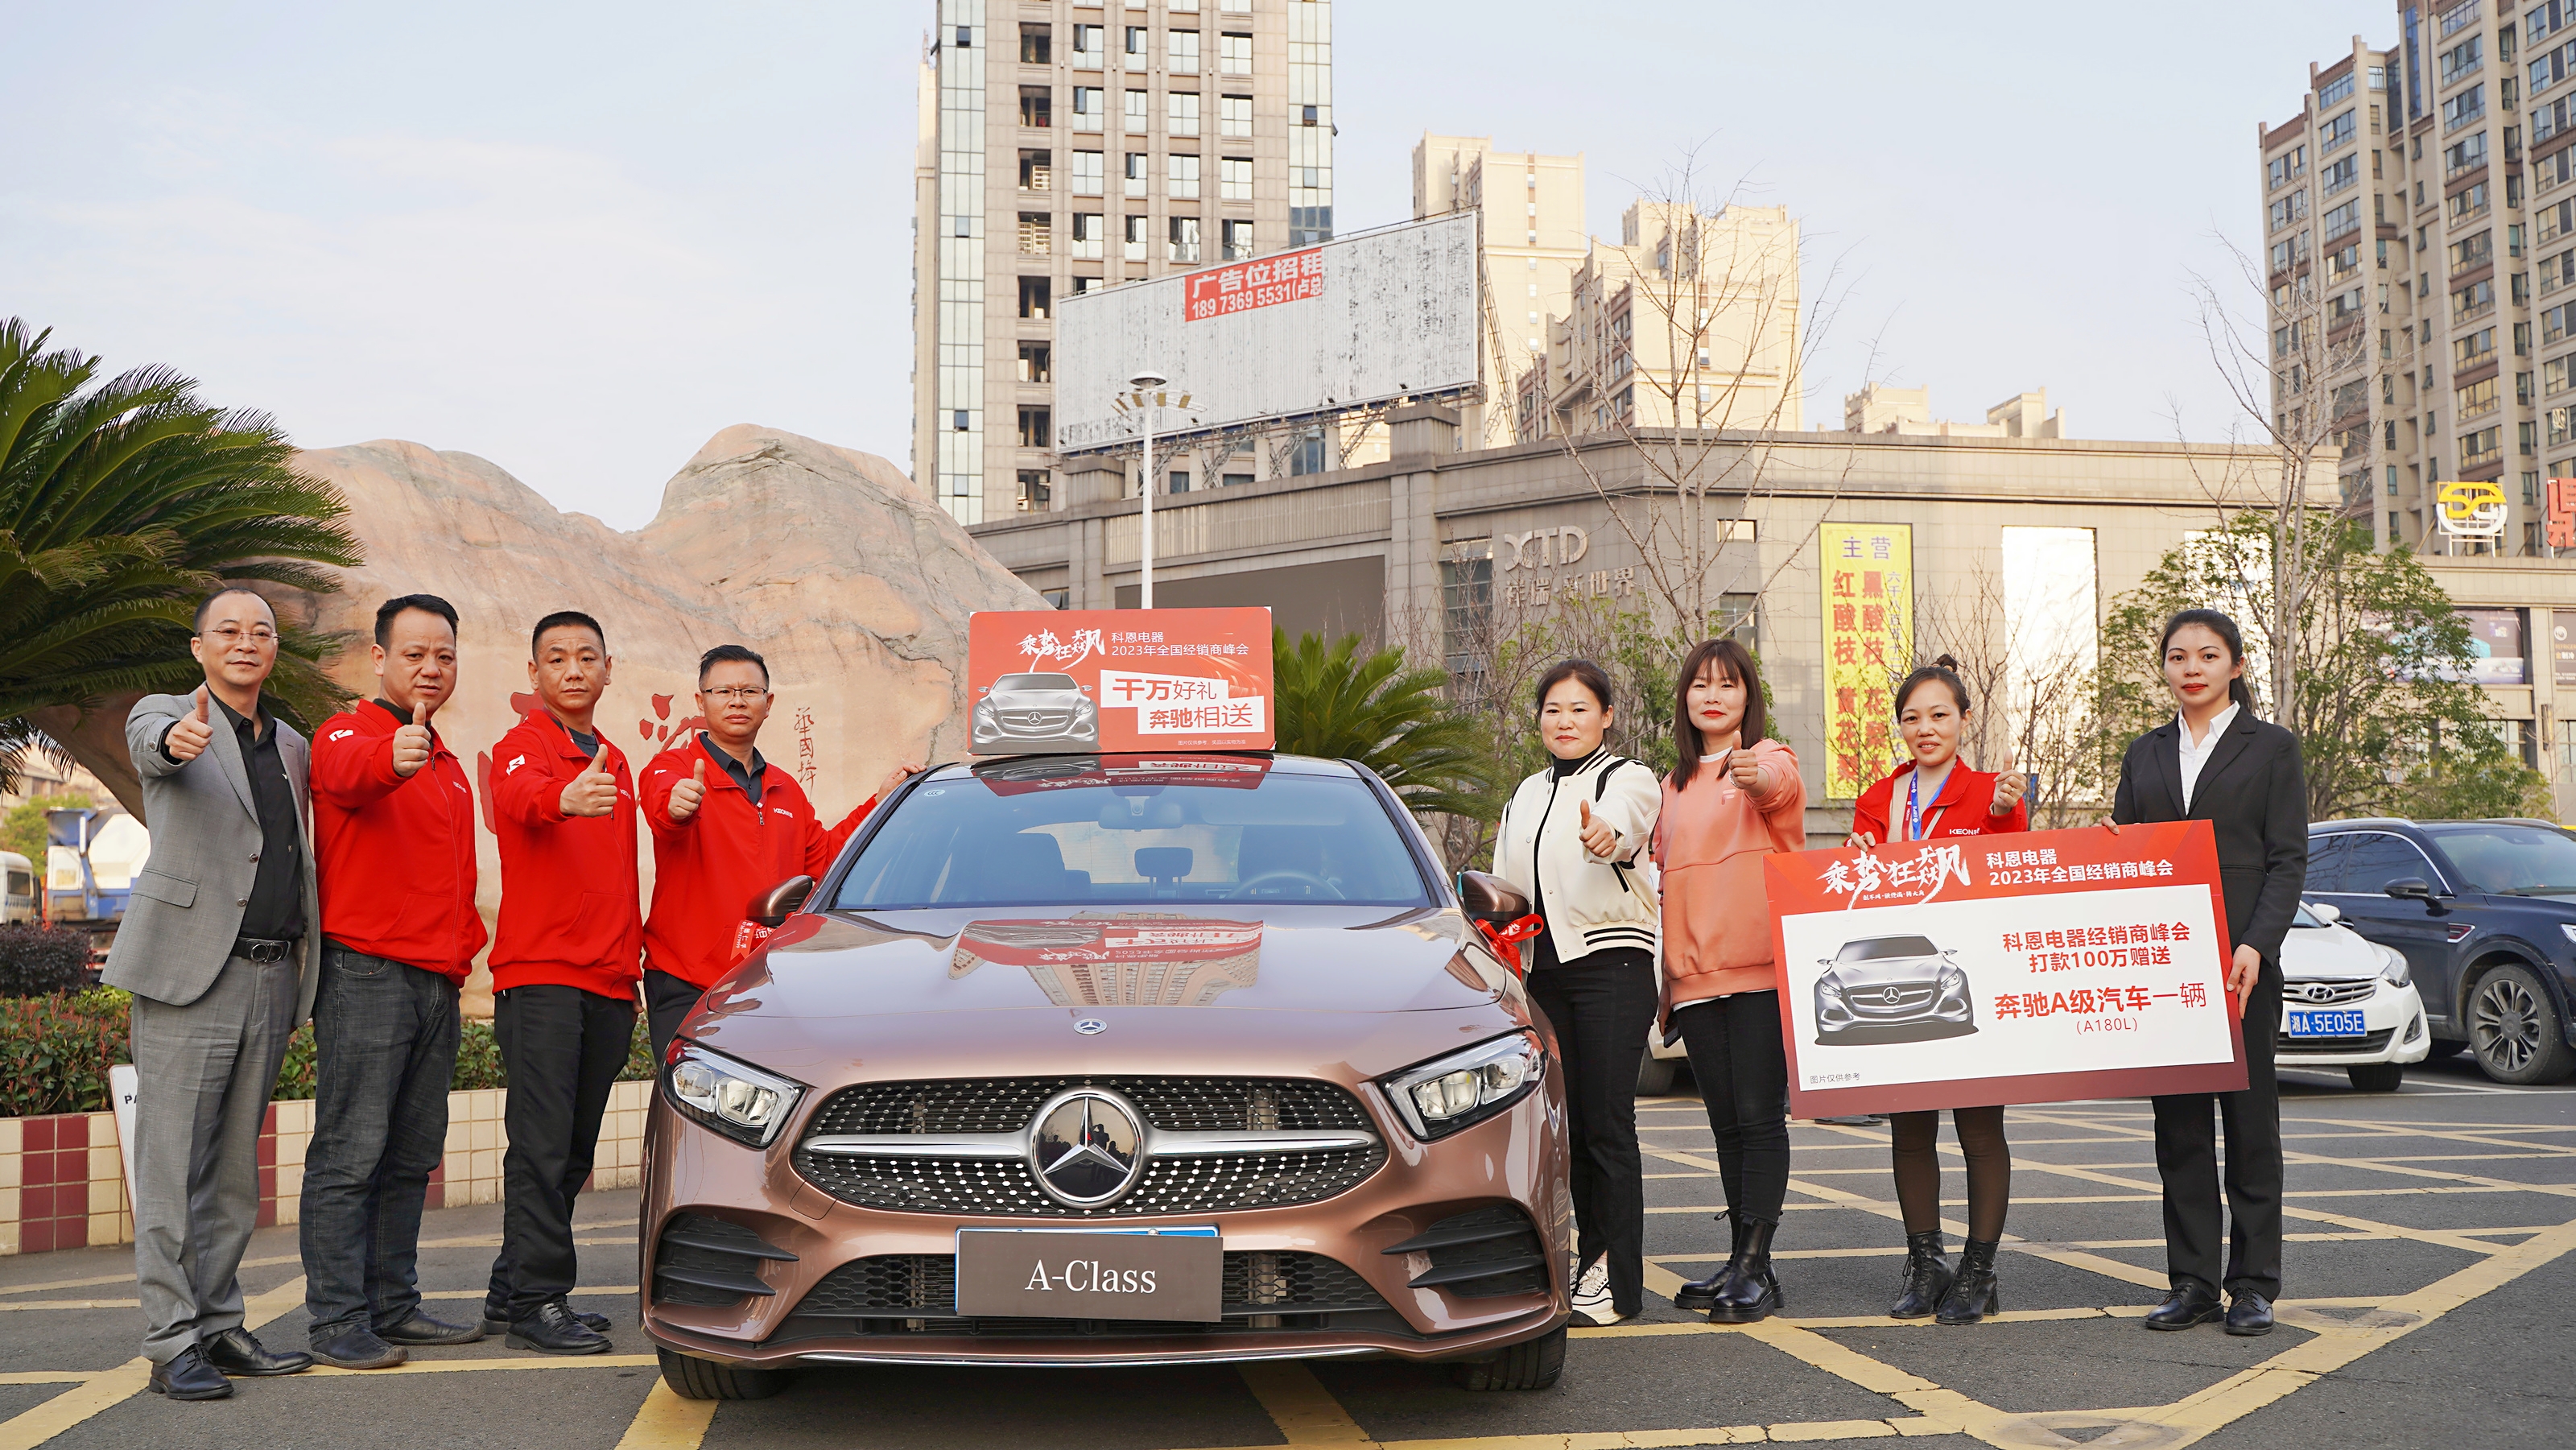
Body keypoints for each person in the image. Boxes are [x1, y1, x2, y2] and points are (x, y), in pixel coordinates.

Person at [106, 589, 322, 1401]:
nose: (245, 642)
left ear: (274, 649)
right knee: (172, 1166)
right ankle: (171, 1341)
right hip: (191, 971)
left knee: (233, 1173)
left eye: (260, 631)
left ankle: (219, 1322)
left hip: (272, 974)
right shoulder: (166, 712)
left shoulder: (293, 743)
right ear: (198, 646)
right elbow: (153, 748)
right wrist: (176, 740)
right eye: (227, 630)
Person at [301, 594, 488, 1369]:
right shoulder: (350, 731)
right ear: (379, 658)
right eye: (414, 653)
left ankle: (393, 1305)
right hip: (367, 969)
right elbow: (347, 775)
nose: (431, 667)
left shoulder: (447, 764)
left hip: (435, 978)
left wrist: (463, 953)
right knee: (350, 1150)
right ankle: (336, 1319)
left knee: (412, 1153)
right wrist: (392, 758)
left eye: (444, 654)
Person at [2108, 608, 2306, 1337]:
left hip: (2241, 965)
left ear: (2236, 666)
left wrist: (2257, 944)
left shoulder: (2272, 747)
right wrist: (2111, 845)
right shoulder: (2145, 753)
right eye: (2178, 655)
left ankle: (2252, 1284)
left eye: (2208, 654)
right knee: (2181, 1130)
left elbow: (2287, 860)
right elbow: (2126, 855)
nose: (2191, 667)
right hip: (2168, 963)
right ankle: (2191, 1281)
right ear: (2164, 667)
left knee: (2251, 1127)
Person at [1847, 655, 2028, 1324]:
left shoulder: (1991, 793)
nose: (1925, 728)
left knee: (1980, 1129)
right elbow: (1855, 890)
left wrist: (2004, 814)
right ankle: (1927, 1265)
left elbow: (2012, 874)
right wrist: (1853, 865)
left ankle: (1980, 1270)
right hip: (1901, 981)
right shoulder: (1879, 799)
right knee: (1910, 1129)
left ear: (1965, 719)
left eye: (1939, 715)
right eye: (1912, 718)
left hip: (1971, 981)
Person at [478, 612, 639, 1355]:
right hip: (543, 975)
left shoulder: (615, 758)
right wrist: (563, 799)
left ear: (607, 668)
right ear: (535, 673)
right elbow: (520, 798)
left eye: (586, 656)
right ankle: (538, 1301)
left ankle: (512, 1287)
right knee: (541, 1148)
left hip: (608, 979)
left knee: (572, 1150)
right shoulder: (524, 746)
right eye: (556, 658)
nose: (573, 669)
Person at [638, 645, 921, 1058]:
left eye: (749, 691)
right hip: (688, 980)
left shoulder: (785, 787)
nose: (737, 701)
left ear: (768, 704)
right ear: (700, 701)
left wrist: (877, 803)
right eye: (723, 691)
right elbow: (665, 808)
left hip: (766, 982)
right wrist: (678, 805)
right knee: (687, 1090)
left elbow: (824, 861)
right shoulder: (674, 769)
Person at [1490, 659, 1662, 1328]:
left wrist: (1606, 835)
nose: (1564, 721)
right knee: (1571, 1129)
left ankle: (1616, 1280)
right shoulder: (1524, 794)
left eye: (1580, 708)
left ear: (1607, 716)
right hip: (1544, 975)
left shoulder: (1627, 777)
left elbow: (1624, 825)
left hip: (1611, 965)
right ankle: (1589, 1259)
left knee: (1607, 1123)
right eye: (1553, 709)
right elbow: (1506, 887)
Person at [1656, 636, 1807, 1324]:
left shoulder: (1770, 756)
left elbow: (1778, 785)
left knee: (1758, 1117)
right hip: (1693, 978)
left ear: (1749, 696)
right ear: (1685, 699)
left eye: (1727, 683)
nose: (1712, 695)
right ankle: (1744, 1260)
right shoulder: (1670, 785)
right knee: (1725, 1124)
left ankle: (1755, 1263)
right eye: (1700, 684)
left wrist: (1752, 773)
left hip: (1757, 972)